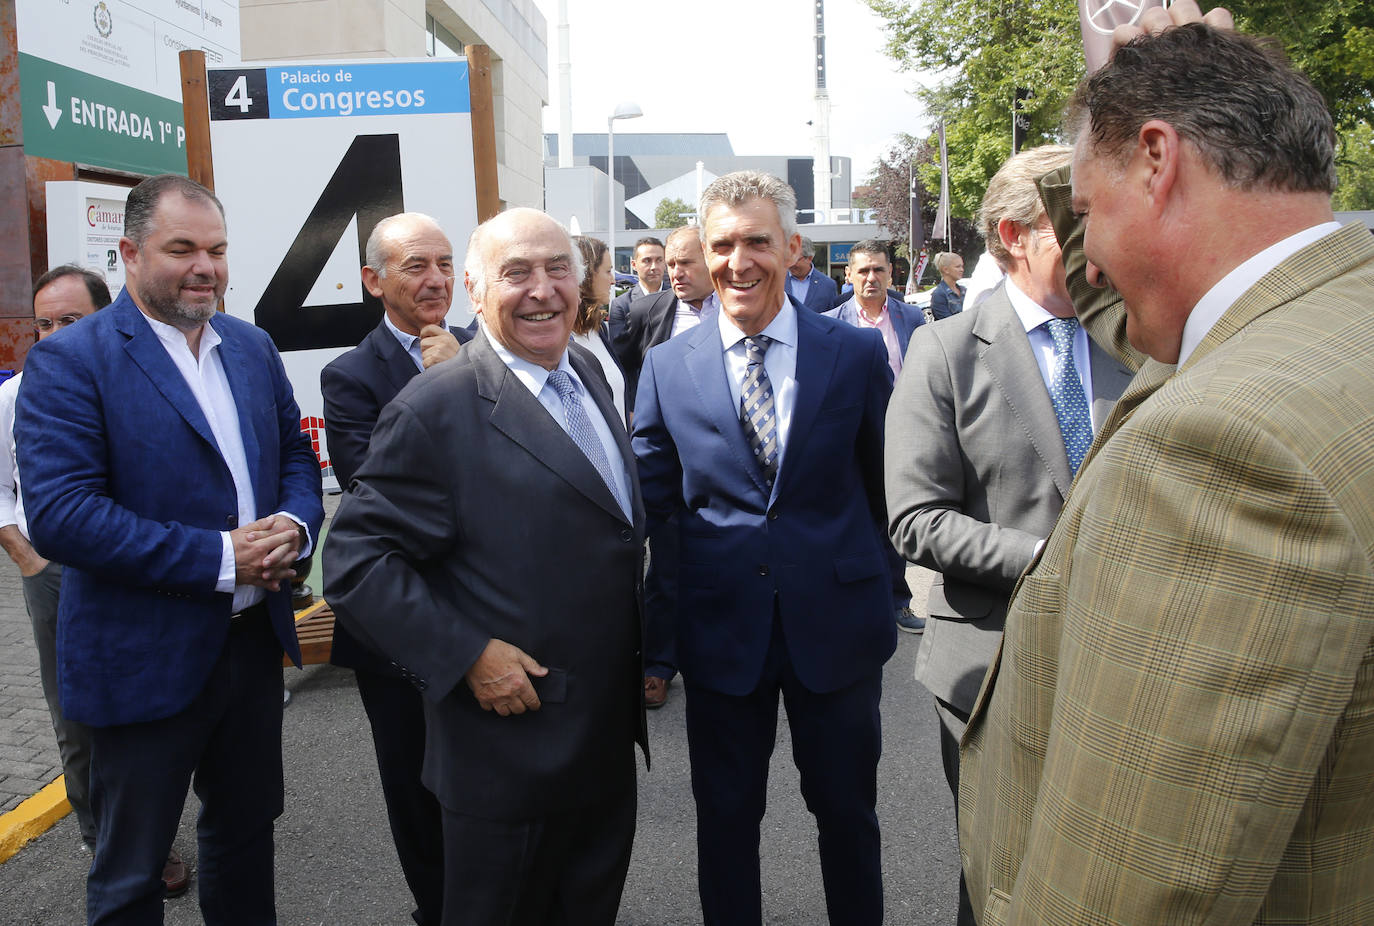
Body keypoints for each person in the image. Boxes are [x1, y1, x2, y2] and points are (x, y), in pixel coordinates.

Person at [959, 5, 1374, 923]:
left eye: (1091, 206)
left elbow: (1129, 886)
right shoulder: (1328, 320)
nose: (1088, 258)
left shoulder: (1226, 448)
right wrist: (1120, 93)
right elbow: (1140, 319)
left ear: (1159, 159)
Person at [323, 207, 647, 926]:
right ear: (474, 289)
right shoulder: (435, 407)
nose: (542, 290)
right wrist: (466, 654)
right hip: (508, 757)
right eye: (517, 273)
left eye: (557, 268)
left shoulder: (586, 369)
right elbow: (353, 562)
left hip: (598, 741)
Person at [15, 174, 324, 924]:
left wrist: (293, 523)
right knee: (131, 872)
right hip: (140, 652)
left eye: (217, 249)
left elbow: (293, 456)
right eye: (181, 248)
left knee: (246, 836)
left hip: (251, 646)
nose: (206, 267)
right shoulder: (72, 360)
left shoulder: (249, 346)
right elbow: (60, 515)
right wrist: (225, 558)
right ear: (128, 252)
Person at [633, 171, 895, 925]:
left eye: (756, 241)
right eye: (722, 244)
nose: (737, 261)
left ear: (791, 247)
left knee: (848, 816)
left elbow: (882, 483)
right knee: (725, 821)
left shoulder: (851, 353)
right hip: (721, 632)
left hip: (838, 629)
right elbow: (653, 503)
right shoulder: (665, 367)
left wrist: (879, 585)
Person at [885, 145, 1133, 926]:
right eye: (1077, 227)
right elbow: (915, 519)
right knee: (1000, 883)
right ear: (1013, 234)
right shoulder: (946, 351)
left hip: (1122, 659)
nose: (1101, 246)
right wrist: (1049, 561)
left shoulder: (1137, 337)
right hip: (990, 669)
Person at [319, 211, 473, 926]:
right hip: (397, 626)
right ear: (374, 281)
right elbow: (372, 480)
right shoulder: (351, 375)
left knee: (492, 784)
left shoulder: (487, 352)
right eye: (416, 266)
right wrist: (448, 390)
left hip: (491, 613)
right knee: (415, 789)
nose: (435, 279)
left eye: (444, 263)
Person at [0, 266, 110, 853]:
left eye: (71, 320)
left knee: (141, 705)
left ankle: (146, 829)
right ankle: (100, 835)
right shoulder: (13, 396)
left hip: (130, 567)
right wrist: (29, 561)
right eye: (44, 324)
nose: (55, 334)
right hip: (53, 575)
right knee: (75, 715)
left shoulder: (134, 384)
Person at [610, 224, 720, 708]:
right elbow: (629, 368)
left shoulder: (741, 315)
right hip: (666, 466)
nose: (675, 272)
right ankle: (658, 664)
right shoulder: (647, 310)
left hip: (725, 469)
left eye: (686, 262)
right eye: (670, 263)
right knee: (665, 570)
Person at [822, 238, 925, 634]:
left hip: (901, 435)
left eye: (878, 270)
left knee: (893, 521)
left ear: (890, 273)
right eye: (862, 270)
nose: (870, 278)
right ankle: (851, 604)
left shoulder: (911, 319)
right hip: (848, 440)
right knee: (850, 519)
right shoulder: (830, 322)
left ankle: (898, 601)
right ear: (847, 276)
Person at [571, 235, 628, 422]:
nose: (613, 281)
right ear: (586, 275)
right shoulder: (562, 342)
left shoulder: (599, 330)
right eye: (608, 271)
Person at [607, 236, 667, 341]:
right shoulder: (622, 305)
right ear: (634, 265)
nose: (654, 267)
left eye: (659, 260)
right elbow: (620, 348)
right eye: (647, 261)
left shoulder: (678, 299)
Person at [784, 236, 840, 312]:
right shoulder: (776, 281)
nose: (790, 264)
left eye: (795, 260)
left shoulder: (827, 285)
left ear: (809, 258)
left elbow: (832, 317)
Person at [927, 252, 965, 319]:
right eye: (958, 267)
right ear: (946, 270)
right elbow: (947, 323)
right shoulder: (939, 295)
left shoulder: (964, 290)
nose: (962, 270)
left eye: (962, 266)